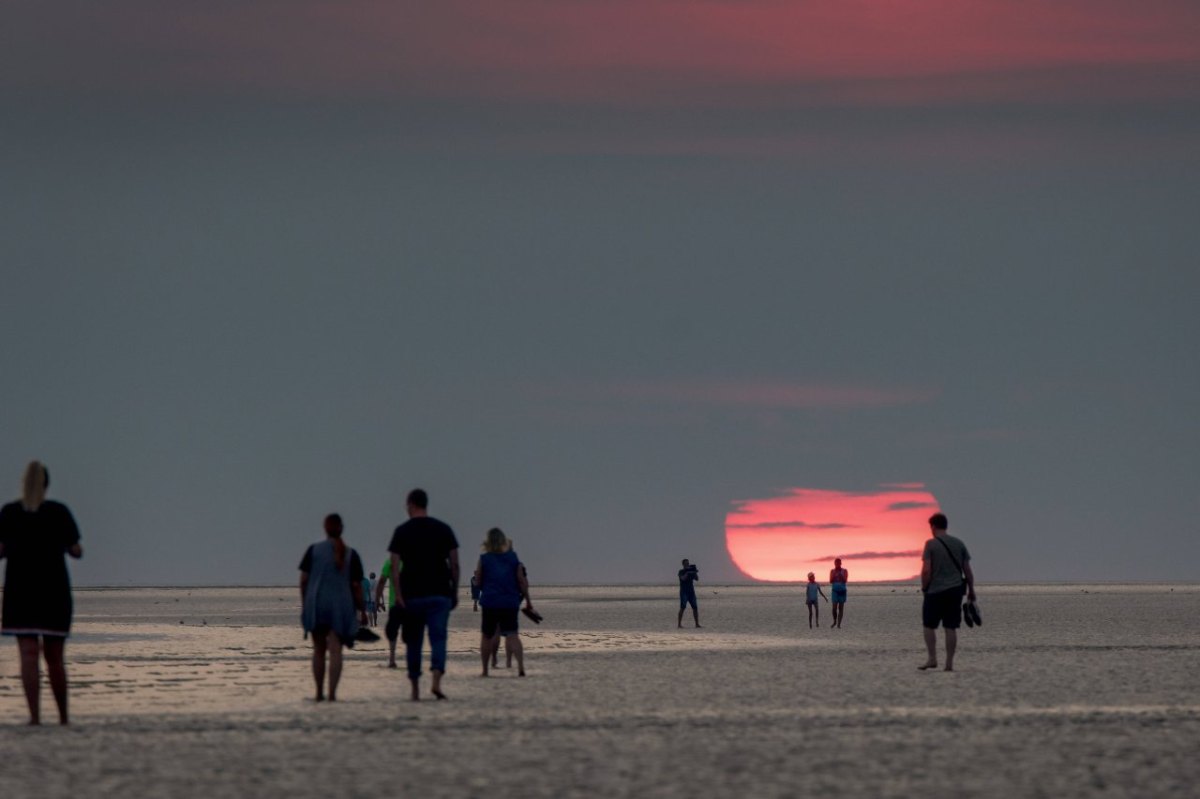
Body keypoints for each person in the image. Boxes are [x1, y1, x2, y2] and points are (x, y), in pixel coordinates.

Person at [0, 461, 83, 725]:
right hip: (53, 591)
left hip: (20, 591)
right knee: (55, 657)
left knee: (28, 655)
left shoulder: (10, 513)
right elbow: (76, 550)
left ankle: (34, 717)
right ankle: (63, 717)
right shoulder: (58, 512)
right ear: (47, 484)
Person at [388, 488, 459, 700]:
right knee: (438, 638)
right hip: (440, 592)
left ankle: (415, 688)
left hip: (412, 594)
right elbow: (455, 564)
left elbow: (394, 568)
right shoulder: (443, 529)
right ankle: (436, 679)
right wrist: (454, 590)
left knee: (414, 641)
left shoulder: (402, 531)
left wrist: (398, 595)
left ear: (411, 504)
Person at [299, 513, 365, 702]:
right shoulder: (351, 554)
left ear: (325, 528)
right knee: (336, 651)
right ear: (341, 528)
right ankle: (333, 695)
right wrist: (361, 609)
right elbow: (356, 586)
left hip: (317, 604)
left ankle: (319, 693)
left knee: (319, 650)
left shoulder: (313, 551)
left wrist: (305, 605)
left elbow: (303, 581)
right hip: (341, 607)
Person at [919, 513, 976, 672]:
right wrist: (971, 590)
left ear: (933, 526)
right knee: (951, 627)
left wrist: (924, 588)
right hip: (955, 591)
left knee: (929, 625)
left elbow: (926, 570)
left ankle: (932, 658)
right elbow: (967, 570)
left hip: (934, 591)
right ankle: (949, 664)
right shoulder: (959, 543)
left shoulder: (930, 544)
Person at [475, 528, 535, 677]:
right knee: (513, 635)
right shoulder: (513, 558)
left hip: (490, 602)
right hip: (510, 602)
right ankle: (520, 667)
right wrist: (528, 601)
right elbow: (522, 581)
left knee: (487, 635)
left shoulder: (484, 559)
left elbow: (478, 581)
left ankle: (485, 670)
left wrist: (484, 587)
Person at [375, 556, 402, 668]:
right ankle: (413, 660)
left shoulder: (390, 562)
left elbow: (382, 581)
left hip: (394, 603)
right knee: (412, 632)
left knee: (392, 632)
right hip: (411, 603)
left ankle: (392, 659)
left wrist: (377, 600)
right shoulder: (413, 560)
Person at [677, 559, 700, 628]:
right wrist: (687, 573)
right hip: (684, 592)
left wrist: (694, 572)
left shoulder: (691, 571)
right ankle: (679, 624)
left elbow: (697, 579)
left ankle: (697, 624)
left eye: (688, 563)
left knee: (695, 608)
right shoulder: (681, 571)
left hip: (691, 592)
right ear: (683, 564)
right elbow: (683, 578)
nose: (687, 565)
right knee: (682, 607)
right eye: (686, 564)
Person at [829, 558, 848, 628]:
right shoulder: (832, 571)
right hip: (835, 591)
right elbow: (830, 581)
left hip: (842, 591)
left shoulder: (844, 571)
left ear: (840, 563)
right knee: (834, 608)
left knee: (841, 608)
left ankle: (839, 624)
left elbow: (845, 580)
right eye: (836, 563)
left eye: (838, 563)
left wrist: (840, 575)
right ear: (834, 564)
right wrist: (834, 575)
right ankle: (834, 621)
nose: (837, 564)